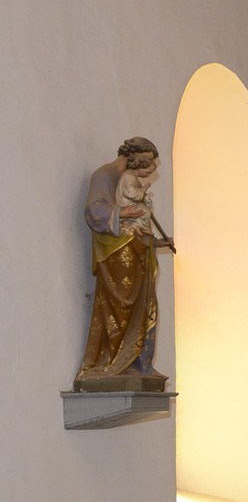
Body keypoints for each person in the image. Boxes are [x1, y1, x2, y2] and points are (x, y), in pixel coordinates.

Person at [75, 137, 170, 391]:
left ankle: (139, 364)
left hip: (137, 249)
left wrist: (155, 242)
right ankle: (109, 364)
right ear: (134, 156)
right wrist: (126, 213)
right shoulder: (104, 174)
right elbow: (94, 212)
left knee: (145, 302)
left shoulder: (132, 180)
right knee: (119, 306)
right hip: (115, 253)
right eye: (146, 163)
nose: (146, 169)